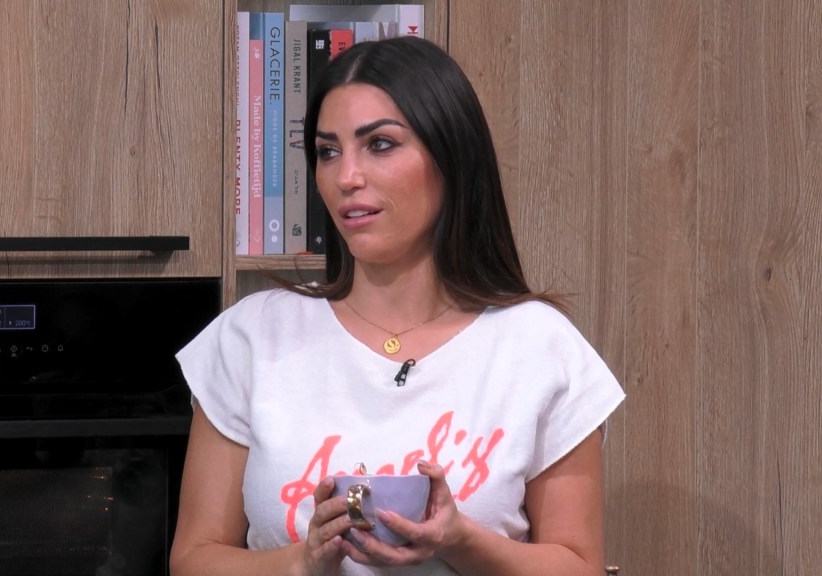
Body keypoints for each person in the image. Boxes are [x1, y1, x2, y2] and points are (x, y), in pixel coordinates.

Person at [170, 35, 625, 576]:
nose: (346, 177)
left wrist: (461, 542)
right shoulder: (252, 336)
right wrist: (302, 563)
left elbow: (579, 565)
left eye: (380, 144)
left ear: (451, 156)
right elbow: (194, 559)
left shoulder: (540, 346)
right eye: (328, 152)